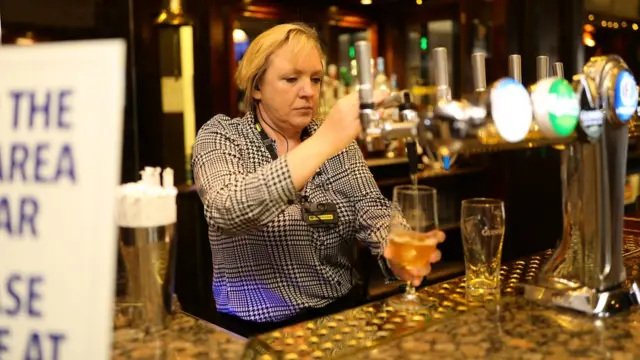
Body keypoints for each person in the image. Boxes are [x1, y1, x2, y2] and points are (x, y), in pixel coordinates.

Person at [192, 23, 445, 336]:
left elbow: (371, 207)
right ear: (256, 86)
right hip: (257, 333)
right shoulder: (222, 136)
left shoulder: (337, 144)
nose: (309, 91)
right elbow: (227, 209)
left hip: (343, 321)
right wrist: (326, 140)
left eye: (315, 79)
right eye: (291, 79)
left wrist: (392, 244)